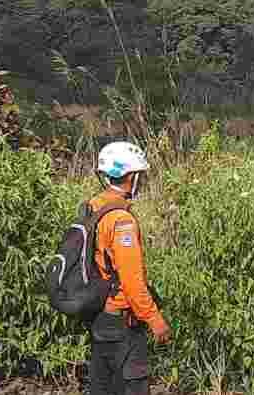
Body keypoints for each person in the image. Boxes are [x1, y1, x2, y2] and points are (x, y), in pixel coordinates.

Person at [82, 141, 171, 395]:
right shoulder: (122, 221)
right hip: (122, 323)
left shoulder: (94, 206)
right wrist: (155, 320)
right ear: (130, 176)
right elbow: (132, 281)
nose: (141, 181)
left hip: (100, 316)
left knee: (102, 387)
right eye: (139, 176)